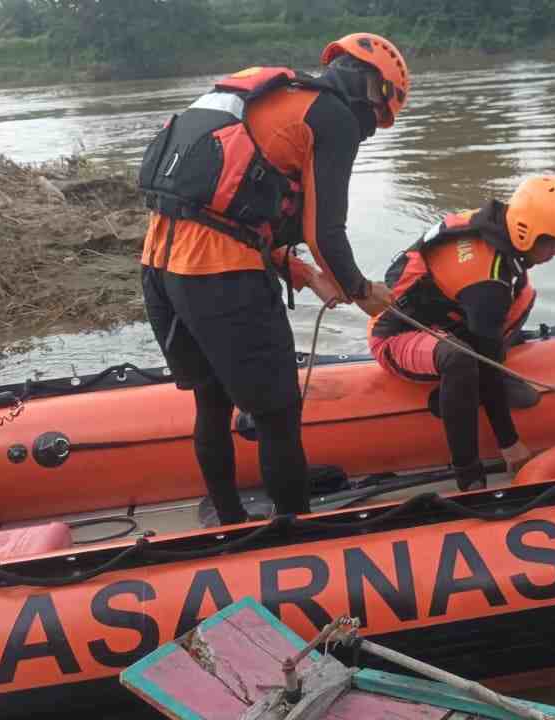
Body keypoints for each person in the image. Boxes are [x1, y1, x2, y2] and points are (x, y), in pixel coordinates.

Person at [137, 33, 410, 525]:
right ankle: (294, 535)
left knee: (212, 400)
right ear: (373, 90)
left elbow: (226, 212)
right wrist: (361, 290)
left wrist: (303, 273)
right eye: (381, 114)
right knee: (279, 415)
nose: (373, 128)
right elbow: (324, 231)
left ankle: (228, 519)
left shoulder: (271, 99)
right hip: (219, 277)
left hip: (160, 265)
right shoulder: (334, 118)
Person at [367, 175, 555, 491]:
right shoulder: (488, 286)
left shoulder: (496, 228)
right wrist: (509, 442)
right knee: (461, 361)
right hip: (395, 336)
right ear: (528, 233)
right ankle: (468, 477)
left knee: (523, 294)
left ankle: (475, 378)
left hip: (448, 320)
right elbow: (484, 359)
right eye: (553, 243)